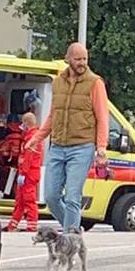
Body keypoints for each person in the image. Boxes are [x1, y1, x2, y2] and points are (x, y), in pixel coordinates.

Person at [27, 42, 109, 233]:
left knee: (73, 197)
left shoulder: (95, 83)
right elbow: (53, 115)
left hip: (82, 147)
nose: (82, 63)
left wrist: (101, 148)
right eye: (78, 59)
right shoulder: (57, 82)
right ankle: (73, 232)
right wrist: (37, 138)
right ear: (68, 59)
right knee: (51, 197)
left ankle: (69, 240)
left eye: (85, 59)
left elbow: (102, 117)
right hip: (57, 146)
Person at [6, 112, 43, 232]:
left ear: (27, 123)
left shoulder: (32, 138)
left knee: (28, 199)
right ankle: (13, 224)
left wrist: (23, 173)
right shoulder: (31, 136)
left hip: (29, 173)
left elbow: (28, 158)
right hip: (27, 173)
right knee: (20, 200)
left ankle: (31, 226)